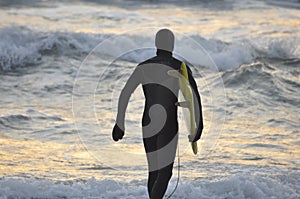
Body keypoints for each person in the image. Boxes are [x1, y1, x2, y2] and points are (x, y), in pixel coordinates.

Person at [112, 29, 203, 199]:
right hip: (168, 122)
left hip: (148, 122)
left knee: (153, 172)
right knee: (165, 172)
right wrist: (199, 127)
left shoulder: (143, 67)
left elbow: (125, 93)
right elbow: (195, 97)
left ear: (156, 43)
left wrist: (119, 124)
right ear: (173, 44)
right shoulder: (179, 67)